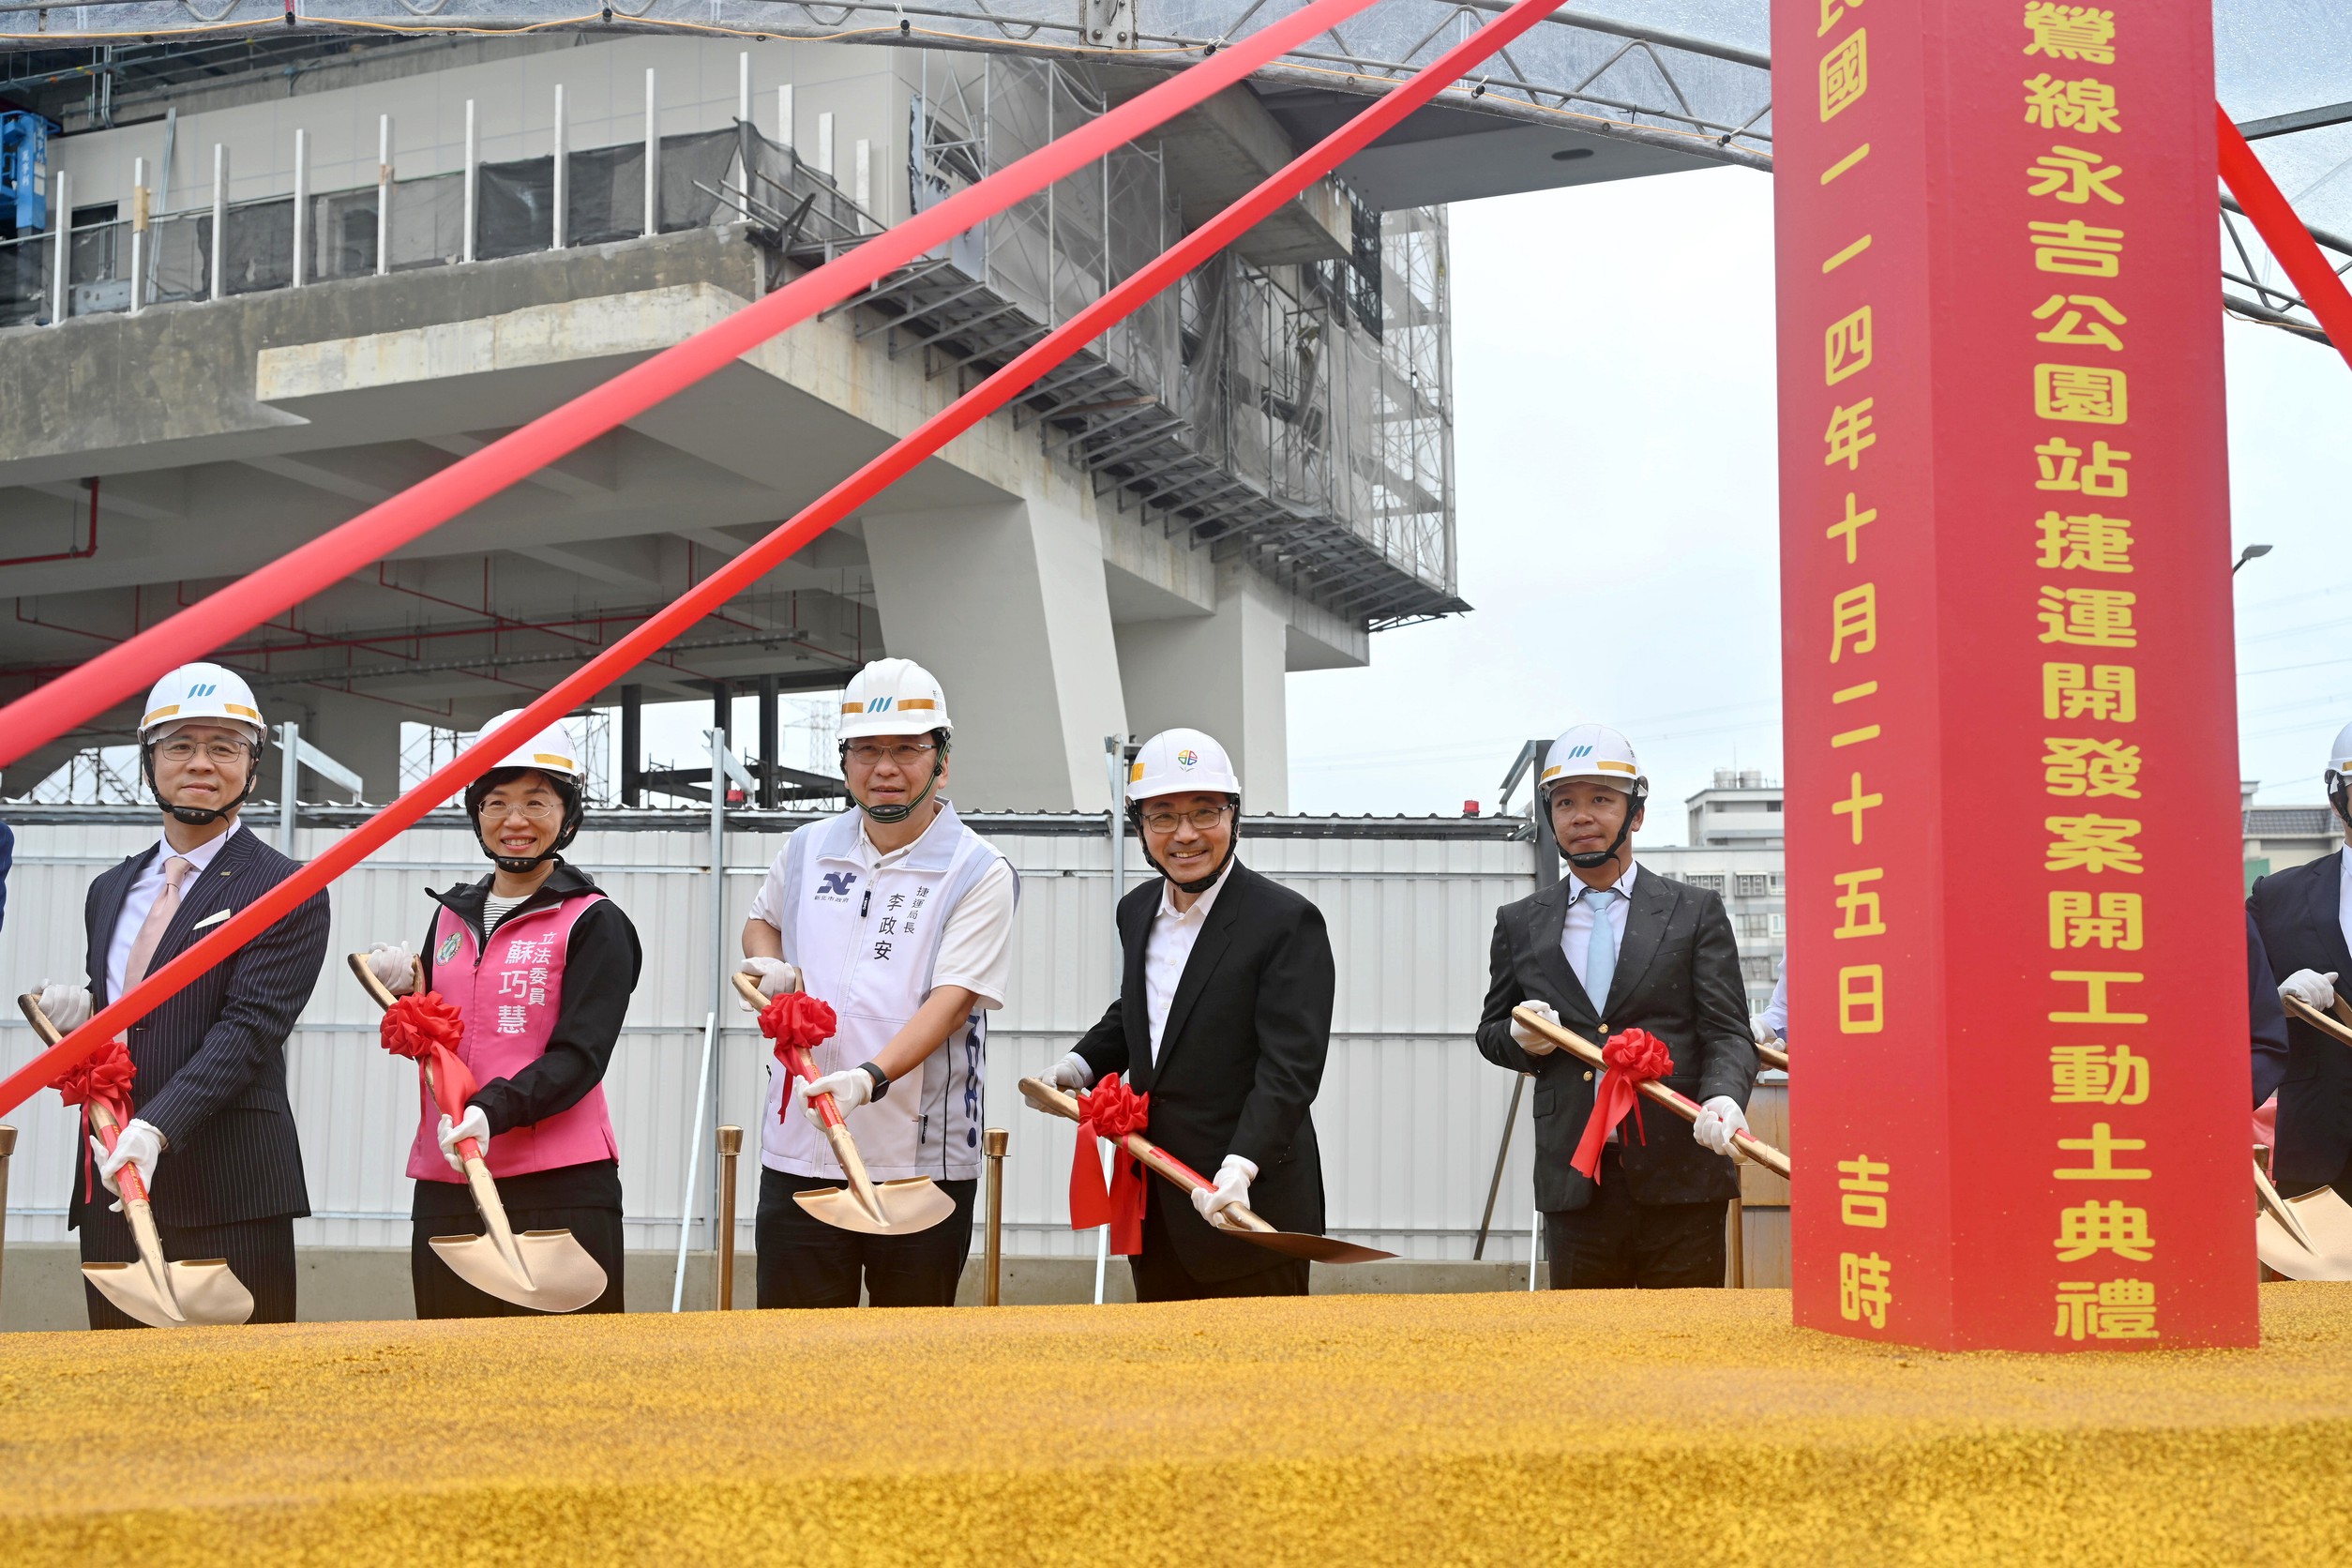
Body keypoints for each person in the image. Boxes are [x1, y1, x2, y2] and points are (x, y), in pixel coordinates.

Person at [37, 663, 330, 1328]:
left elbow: (249, 1029)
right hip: (112, 1179)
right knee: (120, 1401)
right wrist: (82, 1020)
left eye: (224, 746)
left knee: (241, 1407)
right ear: (150, 760)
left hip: (228, 1189)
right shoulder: (110, 890)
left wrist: (156, 1127)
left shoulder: (286, 888)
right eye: (180, 746)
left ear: (252, 767)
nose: (201, 763)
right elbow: (130, 1011)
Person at [740, 658, 1017, 1309]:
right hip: (801, 1151)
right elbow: (761, 921)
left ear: (941, 761)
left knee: (909, 1364)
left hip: (920, 1164)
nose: (884, 768)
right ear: (844, 761)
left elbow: (952, 1002)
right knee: (794, 1356)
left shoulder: (978, 870)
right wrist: (770, 968)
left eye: (906, 749)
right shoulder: (807, 847)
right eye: (866, 750)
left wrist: (868, 1077)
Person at [363, 712, 640, 1317]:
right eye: (496, 802)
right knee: (452, 1375)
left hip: (558, 1183)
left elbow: (580, 1055)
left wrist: (494, 1109)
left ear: (567, 813)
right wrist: (408, 990)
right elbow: (451, 1027)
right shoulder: (451, 917)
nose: (515, 821)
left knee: (565, 1384)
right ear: (476, 813)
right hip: (450, 1175)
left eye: (537, 802)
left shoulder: (595, 922)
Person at [1045, 728, 1336, 1302]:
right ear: (1140, 827)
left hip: (1248, 1200)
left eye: (1204, 812)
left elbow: (1291, 1066)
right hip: (1159, 1197)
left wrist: (1242, 1165)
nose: (1184, 835)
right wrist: (1078, 1065)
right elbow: (1148, 1010)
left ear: (1233, 816)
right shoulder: (1136, 911)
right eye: (1163, 816)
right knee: (1165, 1381)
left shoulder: (1284, 921)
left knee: (1261, 1382)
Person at [1474, 725, 1756, 1289]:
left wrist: (1724, 1095)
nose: (1581, 816)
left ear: (1636, 813)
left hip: (1681, 1171)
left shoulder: (1694, 911)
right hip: (1577, 1181)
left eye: (1601, 799)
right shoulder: (1520, 921)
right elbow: (1491, 1032)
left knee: (1685, 1347)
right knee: (1586, 1356)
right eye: (1565, 802)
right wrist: (1520, 1039)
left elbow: (1728, 1029)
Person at [2248, 721, 2352, 1199]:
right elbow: (2228, 1005)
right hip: (2319, 1152)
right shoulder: (2277, 898)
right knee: (2319, 1281)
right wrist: (2278, 1001)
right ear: (2337, 794)